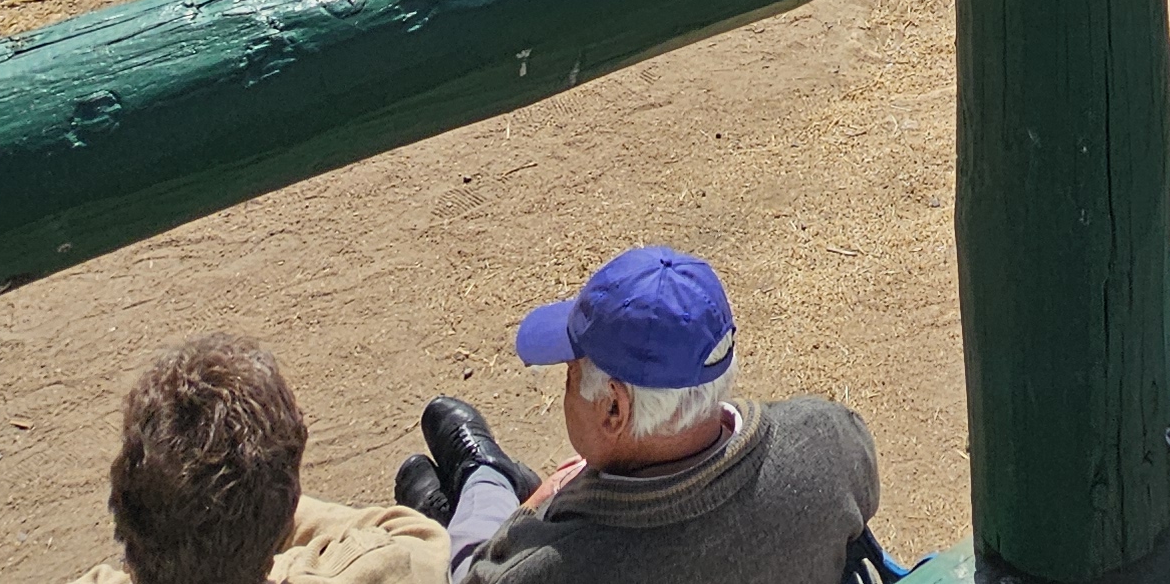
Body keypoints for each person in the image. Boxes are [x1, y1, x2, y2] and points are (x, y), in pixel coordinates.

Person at [413, 247, 880, 582]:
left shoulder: (553, 568)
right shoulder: (831, 439)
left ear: (615, 407)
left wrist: (536, 506)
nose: (567, 389)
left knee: (457, 553)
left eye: (571, 377)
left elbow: (481, 576)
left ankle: (483, 479)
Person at [76, 335, 446, 584]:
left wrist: (195, 518)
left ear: (123, 502)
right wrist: (262, 506)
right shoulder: (362, 568)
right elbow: (421, 538)